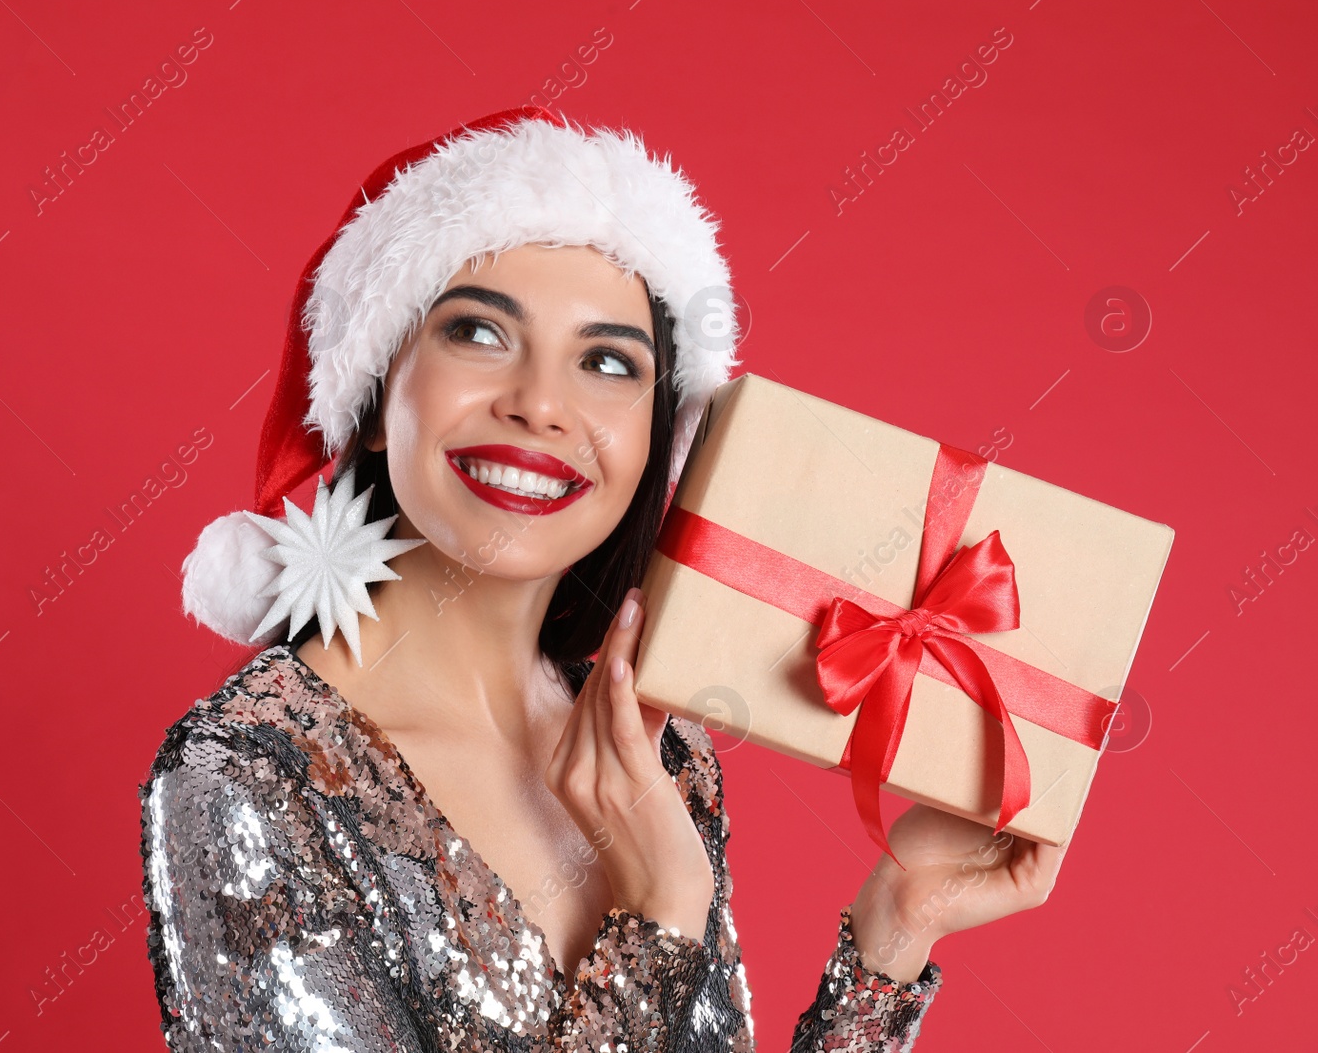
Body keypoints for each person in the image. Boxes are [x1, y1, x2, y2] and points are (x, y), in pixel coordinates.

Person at [139, 107, 1066, 1051]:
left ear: (653, 442)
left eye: (608, 360)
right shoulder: (248, 774)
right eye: (479, 334)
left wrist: (896, 927)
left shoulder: (655, 743)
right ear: (376, 399)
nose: (541, 403)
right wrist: (659, 917)